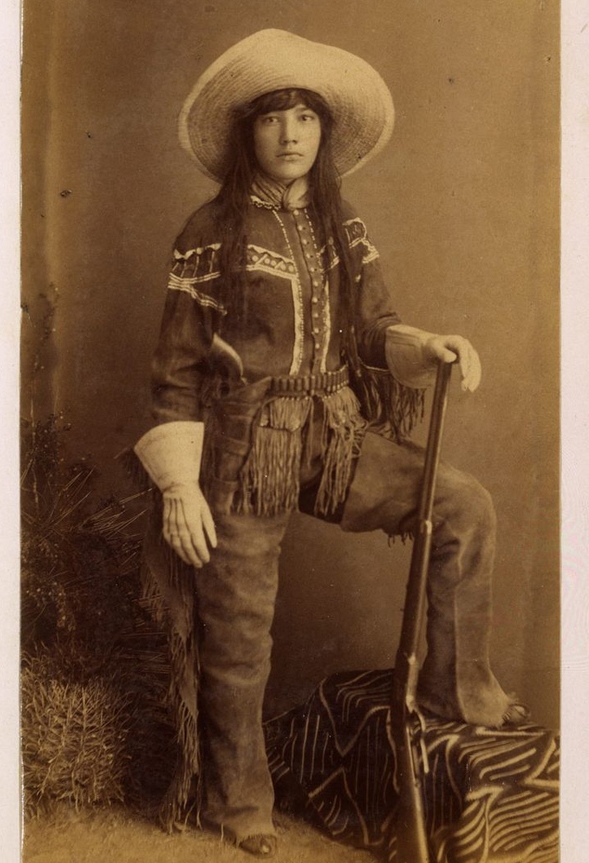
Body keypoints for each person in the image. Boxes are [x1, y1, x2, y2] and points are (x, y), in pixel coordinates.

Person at [133, 29, 526, 858]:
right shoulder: (209, 232)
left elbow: (374, 329)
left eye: (306, 117)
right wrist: (179, 484)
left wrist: (427, 346)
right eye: (273, 117)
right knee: (238, 630)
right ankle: (238, 800)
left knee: (461, 504)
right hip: (242, 452)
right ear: (247, 133)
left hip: (335, 435)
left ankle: (458, 689)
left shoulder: (342, 226)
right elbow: (176, 367)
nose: (290, 134)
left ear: (324, 130)